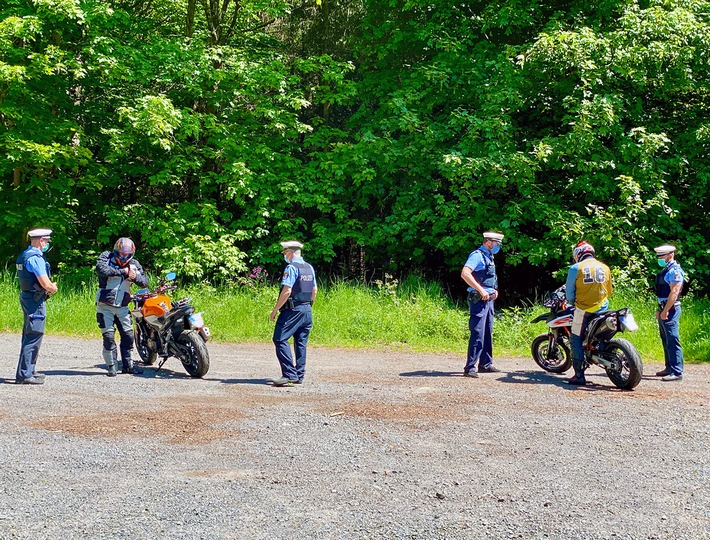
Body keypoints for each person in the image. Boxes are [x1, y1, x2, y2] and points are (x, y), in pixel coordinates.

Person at [96, 238, 149, 377]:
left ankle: (128, 366)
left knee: (128, 336)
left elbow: (144, 282)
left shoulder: (134, 264)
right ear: (116, 250)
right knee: (108, 336)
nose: (124, 257)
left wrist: (135, 276)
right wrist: (124, 271)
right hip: (105, 306)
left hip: (123, 307)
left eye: (127, 255)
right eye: (121, 254)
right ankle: (111, 366)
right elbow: (102, 270)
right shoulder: (106, 257)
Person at [270, 240, 317, 387]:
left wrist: (276, 309)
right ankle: (299, 375)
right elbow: (314, 290)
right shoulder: (309, 267)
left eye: (285, 253)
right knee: (300, 343)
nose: (284, 256)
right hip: (307, 310)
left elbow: (287, 290)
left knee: (279, 339)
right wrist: (309, 306)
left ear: (289, 252)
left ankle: (289, 374)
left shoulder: (291, 268)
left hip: (292, 310)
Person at [565, 241, 613, 385]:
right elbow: (609, 291)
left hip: (583, 309)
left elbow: (569, 293)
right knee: (602, 336)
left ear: (578, 254)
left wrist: (572, 303)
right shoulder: (605, 267)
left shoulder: (575, 268)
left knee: (575, 339)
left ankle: (579, 375)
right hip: (603, 308)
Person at [15, 228, 58, 385]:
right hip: (35, 300)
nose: (47, 244)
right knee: (34, 335)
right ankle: (25, 374)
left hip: (27, 297)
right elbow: (45, 284)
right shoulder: (36, 258)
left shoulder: (24, 255)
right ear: (41, 241)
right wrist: (53, 287)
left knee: (29, 334)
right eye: (46, 241)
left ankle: (27, 370)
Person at [461, 232, 504, 378]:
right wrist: (480, 289)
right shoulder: (477, 255)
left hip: (488, 300)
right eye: (497, 244)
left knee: (487, 332)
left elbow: (490, 276)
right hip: (478, 299)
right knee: (478, 332)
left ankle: (485, 364)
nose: (498, 247)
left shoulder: (489, 256)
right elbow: (465, 273)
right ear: (489, 242)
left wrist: (494, 290)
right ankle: (470, 367)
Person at [653, 244, 685, 382]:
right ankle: (669, 367)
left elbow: (674, 292)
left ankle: (677, 371)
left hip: (671, 309)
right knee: (665, 339)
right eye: (658, 256)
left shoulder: (675, 271)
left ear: (670, 255)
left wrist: (665, 310)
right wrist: (659, 310)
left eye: (662, 256)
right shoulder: (666, 270)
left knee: (672, 339)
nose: (659, 258)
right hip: (664, 308)